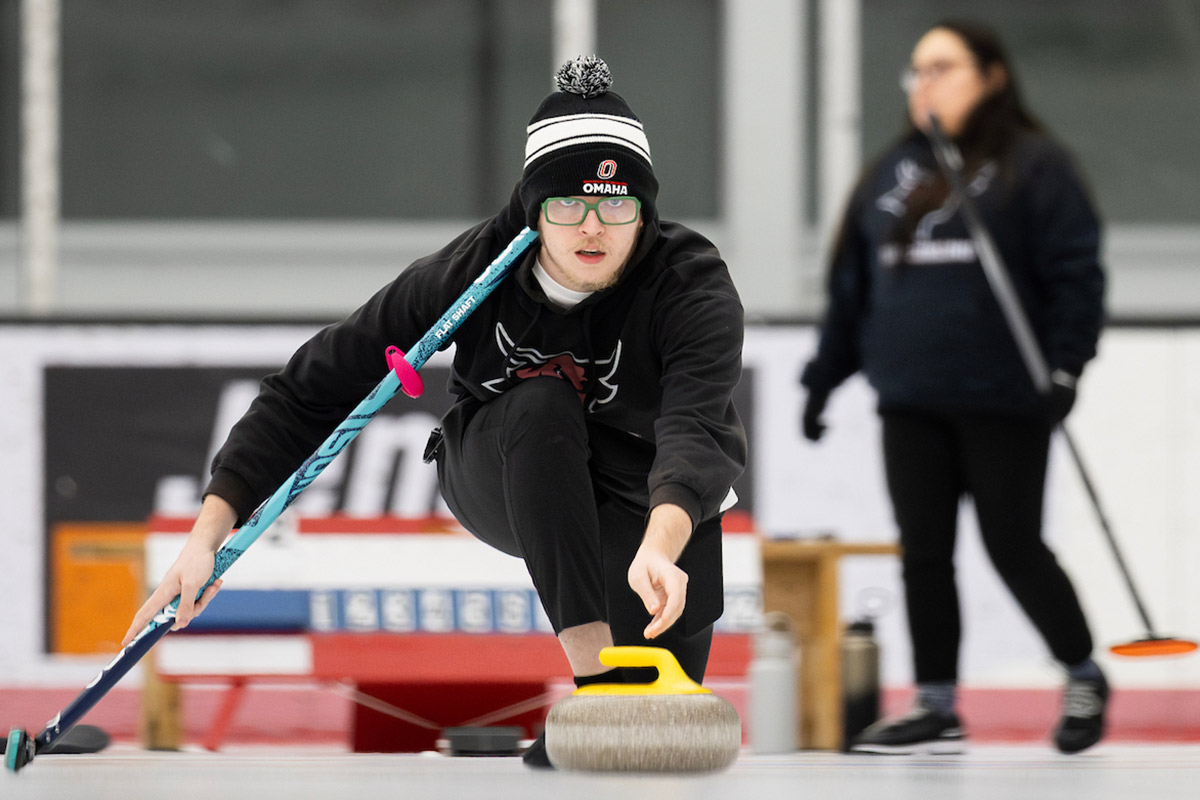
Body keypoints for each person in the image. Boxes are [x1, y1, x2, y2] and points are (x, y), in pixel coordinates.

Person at [122, 56, 746, 768]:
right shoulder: (470, 275)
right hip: (505, 468)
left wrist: (664, 543)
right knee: (542, 404)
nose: (592, 227)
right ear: (534, 210)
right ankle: (594, 676)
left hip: (648, 498)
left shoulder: (690, 284)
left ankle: (601, 703)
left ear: (645, 208)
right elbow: (305, 391)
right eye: (566, 205)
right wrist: (207, 534)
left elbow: (695, 429)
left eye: (617, 205)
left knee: (651, 733)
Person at [800, 20, 1107, 755]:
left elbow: (1076, 277)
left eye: (943, 67)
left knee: (1012, 545)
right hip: (910, 396)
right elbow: (854, 290)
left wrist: (1067, 366)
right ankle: (937, 701)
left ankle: (1083, 671)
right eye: (916, 72)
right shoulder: (887, 176)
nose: (924, 83)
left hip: (1003, 396)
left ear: (992, 77)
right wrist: (822, 380)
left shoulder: (1035, 166)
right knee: (924, 553)